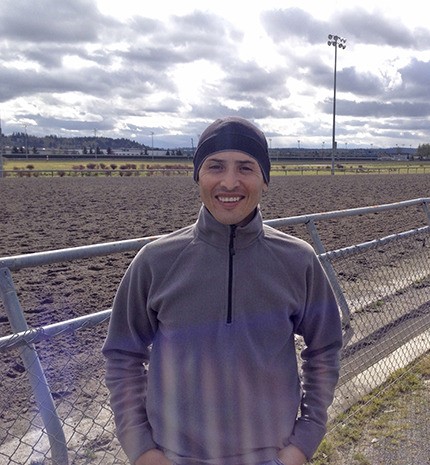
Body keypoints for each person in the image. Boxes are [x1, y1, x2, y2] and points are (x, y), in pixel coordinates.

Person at [102, 116, 343, 465]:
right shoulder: (155, 261)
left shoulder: (298, 261)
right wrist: (142, 449)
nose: (230, 181)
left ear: (265, 179)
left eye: (246, 167)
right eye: (215, 166)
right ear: (198, 175)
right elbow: (123, 355)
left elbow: (324, 348)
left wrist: (304, 441)